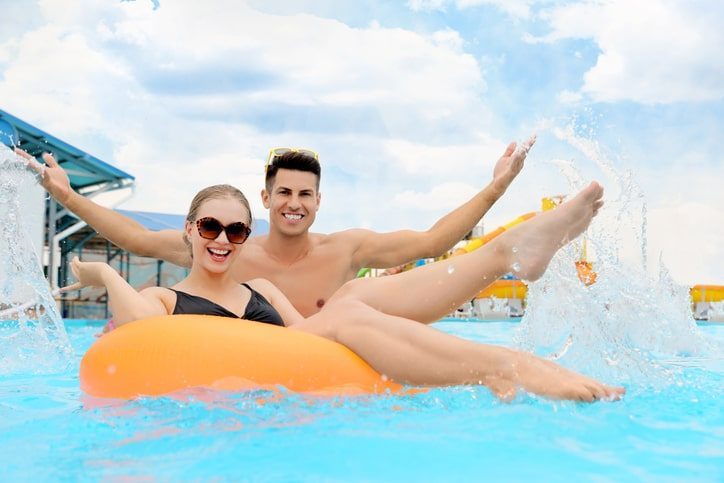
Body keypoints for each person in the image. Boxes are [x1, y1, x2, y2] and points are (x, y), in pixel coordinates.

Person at [65, 182, 625, 402]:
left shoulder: (259, 287)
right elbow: (139, 332)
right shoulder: (167, 303)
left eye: (236, 230)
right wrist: (109, 275)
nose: (222, 240)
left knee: (350, 304)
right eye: (210, 227)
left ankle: (508, 259)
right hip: (251, 394)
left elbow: (307, 339)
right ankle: (508, 306)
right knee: (351, 306)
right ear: (189, 230)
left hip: (313, 377)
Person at [17, 138, 535, 317]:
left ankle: (510, 253)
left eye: (305, 194)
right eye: (283, 192)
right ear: (265, 198)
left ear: (318, 201)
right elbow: (131, 237)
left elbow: (431, 242)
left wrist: (495, 189)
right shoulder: (227, 247)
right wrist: (66, 196)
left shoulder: (346, 249)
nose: (293, 204)